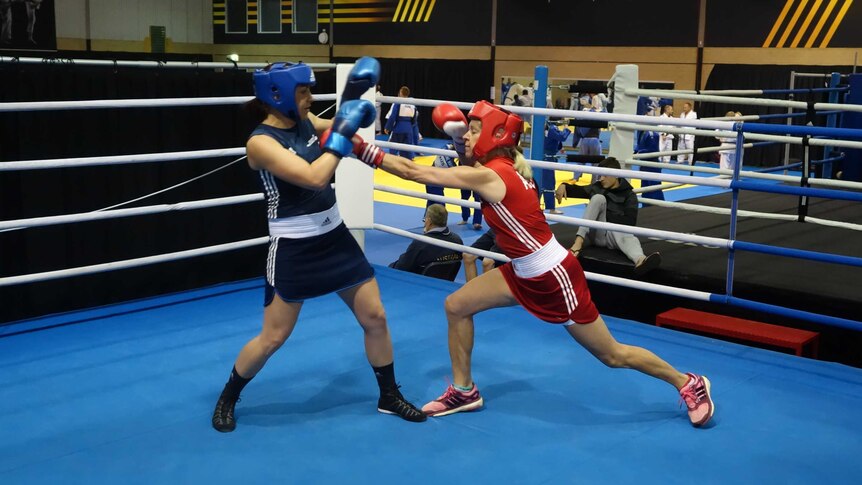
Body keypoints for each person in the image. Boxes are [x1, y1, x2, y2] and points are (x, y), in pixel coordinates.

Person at [346, 100, 715, 427]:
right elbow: (469, 164)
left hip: (553, 276)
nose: (469, 137)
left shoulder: (495, 175)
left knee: (612, 355)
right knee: (456, 305)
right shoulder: (503, 166)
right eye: (468, 130)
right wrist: (462, 138)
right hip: (522, 270)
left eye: (475, 130)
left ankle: (688, 383)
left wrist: (360, 147)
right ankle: (463, 390)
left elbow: (416, 172)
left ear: (493, 136)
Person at [211, 59, 426, 433]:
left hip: (335, 238)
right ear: (275, 95)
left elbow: (347, 132)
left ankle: (388, 395)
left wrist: (373, 148)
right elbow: (314, 177)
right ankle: (229, 395)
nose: (311, 99)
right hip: (294, 248)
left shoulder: (308, 123)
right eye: (304, 92)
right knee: (273, 337)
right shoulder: (260, 143)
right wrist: (342, 132)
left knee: (375, 317)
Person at [555, 157, 662, 275]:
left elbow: (630, 223)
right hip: (597, 234)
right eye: (600, 175)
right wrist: (564, 185)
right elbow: (578, 190)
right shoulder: (597, 187)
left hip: (615, 236)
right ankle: (578, 243)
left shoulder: (629, 195)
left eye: (605, 175)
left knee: (627, 235)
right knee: (598, 198)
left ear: (616, 175)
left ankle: (640, 260)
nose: (601, 179)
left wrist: (606, 216)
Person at [389, 204, 463, 277]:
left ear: (429, 221)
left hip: (419, 284)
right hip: (446, 283)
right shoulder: (457, 241)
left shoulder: (420, 243)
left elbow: (401, 267)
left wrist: (390, 266)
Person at [541, 121, 571, 214]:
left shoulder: (542, 128)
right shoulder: (552, 128)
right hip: (547, 159)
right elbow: (562, 137)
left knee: (540, 183)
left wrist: (560, 147)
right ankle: (551, 209)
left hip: (543, 157)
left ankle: (535, 206)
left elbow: (554, 140)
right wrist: (566, 128)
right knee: (548, 184)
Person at [384, 85, 420, 159]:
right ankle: (409, 161)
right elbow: (415, 117)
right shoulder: (412, 104)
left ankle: (393, 161)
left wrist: (388, 127)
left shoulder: (398, 102)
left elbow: (393, 116)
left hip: (399, 127)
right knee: (407, 149)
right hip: (408, 128)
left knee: (393, 148)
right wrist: (411, 125)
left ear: (400, 93)